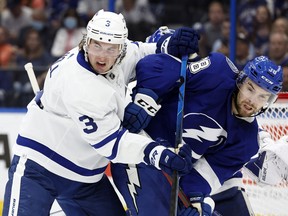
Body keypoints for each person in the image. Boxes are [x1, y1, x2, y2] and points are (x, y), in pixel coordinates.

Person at [2, 9, 197, 216]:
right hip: (39, 170)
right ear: (86, 42)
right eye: (97, 46)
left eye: (111, 48)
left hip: (86, 179)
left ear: (120, 49)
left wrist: (169, 44)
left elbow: (141, 52)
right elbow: (111, 143)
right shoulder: (80, 85)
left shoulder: (118, 53)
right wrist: (159, 154)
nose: (102, 56)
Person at [111, 28, 283, 215]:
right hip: (140, 150)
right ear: (241, 81)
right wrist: (146, 100)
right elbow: (155, 65)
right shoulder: (217, 72)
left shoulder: (247, 143)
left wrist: (197, 202)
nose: (252, 100)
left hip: (170, 172)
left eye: (262, 96)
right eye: (250, 89)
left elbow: (204, 176)